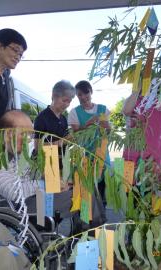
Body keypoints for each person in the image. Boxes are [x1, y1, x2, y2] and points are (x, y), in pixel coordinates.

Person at [34, 80, 76, 235]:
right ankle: (39, 234)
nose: (67, 104)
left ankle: (52, 232)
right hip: (47, 165)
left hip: (61, 166)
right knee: (44, 204)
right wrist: (61, 142)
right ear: (54, 96)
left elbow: (64, 145)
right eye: (65, 100)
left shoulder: (63, 119)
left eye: (70, 101)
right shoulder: (42, 118)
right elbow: (38, 148)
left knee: (58, 203)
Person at [68, 80, 111, 228]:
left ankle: (99, 223)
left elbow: (109, 131)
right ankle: (84, 223)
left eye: (86, 93)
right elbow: (74, 133)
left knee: (100, 190)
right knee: (85, 190)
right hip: (83, 158)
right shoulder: (74, 112)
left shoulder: (103, 109)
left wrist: (105, 125)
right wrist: (88, 124)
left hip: (101, 157)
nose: (84, 97)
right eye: (79, 94)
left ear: (91, 92)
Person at [122, 83, 161, 170]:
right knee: (131, 182)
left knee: (159, 182)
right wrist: (138, 89)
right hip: (135, 153)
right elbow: (126, 111)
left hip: (158, 153)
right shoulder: (133, 100)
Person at [0, 28, 27, 120]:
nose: (18, 57)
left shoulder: (6, 78)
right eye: (15, 50)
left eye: (21, 55)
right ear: (0, 46)